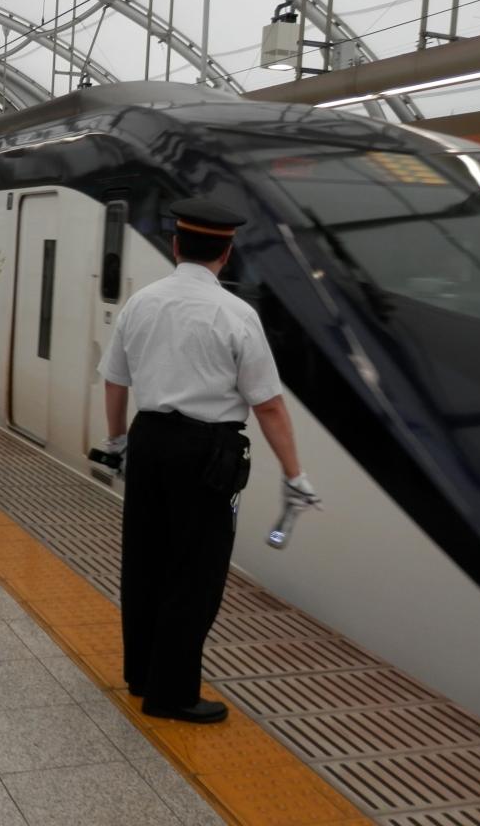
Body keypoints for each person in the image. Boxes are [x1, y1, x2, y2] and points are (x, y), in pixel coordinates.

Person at [97, 198, 320, 724]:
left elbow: (115, 380)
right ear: (226, 253)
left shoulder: (141, 302)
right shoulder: (237, 315)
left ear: (177, 246)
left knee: (145, 562)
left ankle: (142, 675)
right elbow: (268, 404)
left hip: (148, 441)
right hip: (206, 453)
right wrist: (294, 475)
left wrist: (117, 441)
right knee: (195, 573)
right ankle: (172, 694)